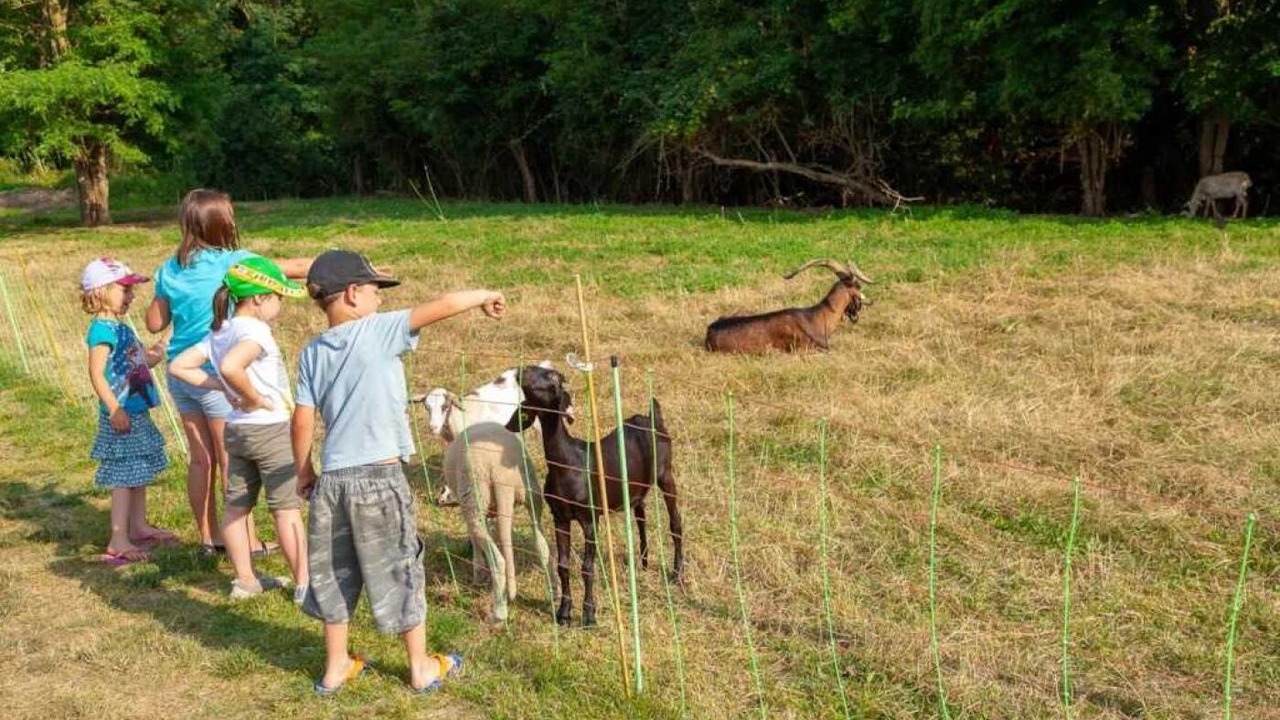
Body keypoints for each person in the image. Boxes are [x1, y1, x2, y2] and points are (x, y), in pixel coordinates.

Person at [292, 249, 504, 695]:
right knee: (401, 566)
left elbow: (303, 419)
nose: (381, 299)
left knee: (333, 572)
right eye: (375, 291)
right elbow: (444, 305)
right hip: (379, 479)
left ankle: (335, 667)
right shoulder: (379, 329)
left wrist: (304, 471)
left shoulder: (311, 352)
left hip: (332, 482)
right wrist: (485, 294)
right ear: (353, 294)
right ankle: (420, 667)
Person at [146, 188, 309, 556]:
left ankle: (209, 537)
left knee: (200, 458)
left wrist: (166, 291)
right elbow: (294, 269)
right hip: (218, 375)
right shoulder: (236, 262)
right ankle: (245, 542)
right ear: (223, 223)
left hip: (181, 373)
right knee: (229, 460)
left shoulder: (169, 268)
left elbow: (155, 322)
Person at [169, 255, 310, 602]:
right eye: (278, 298)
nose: (280, 306)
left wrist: (221, 388)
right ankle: (305, 584)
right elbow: (233, 366)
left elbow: (179, 366)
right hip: (269, 429)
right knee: (286, 508)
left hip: (236, 431)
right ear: (260, 298)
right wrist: (251, 397)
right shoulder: (255, 331)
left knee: (236, 507)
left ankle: (245, 580)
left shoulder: (220, 331)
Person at [81, 257, 176, 565]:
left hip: (135, 411)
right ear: (100, 292)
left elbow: (144, 361)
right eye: (125, 289)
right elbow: (96, 374)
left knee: (138, 470)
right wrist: (114, 409)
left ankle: (138, 526)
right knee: (124, 475)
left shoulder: (120, 328)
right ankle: (118, 539)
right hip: (121, 414)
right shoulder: (102, 331)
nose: (132, 296)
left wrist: (167, 339)